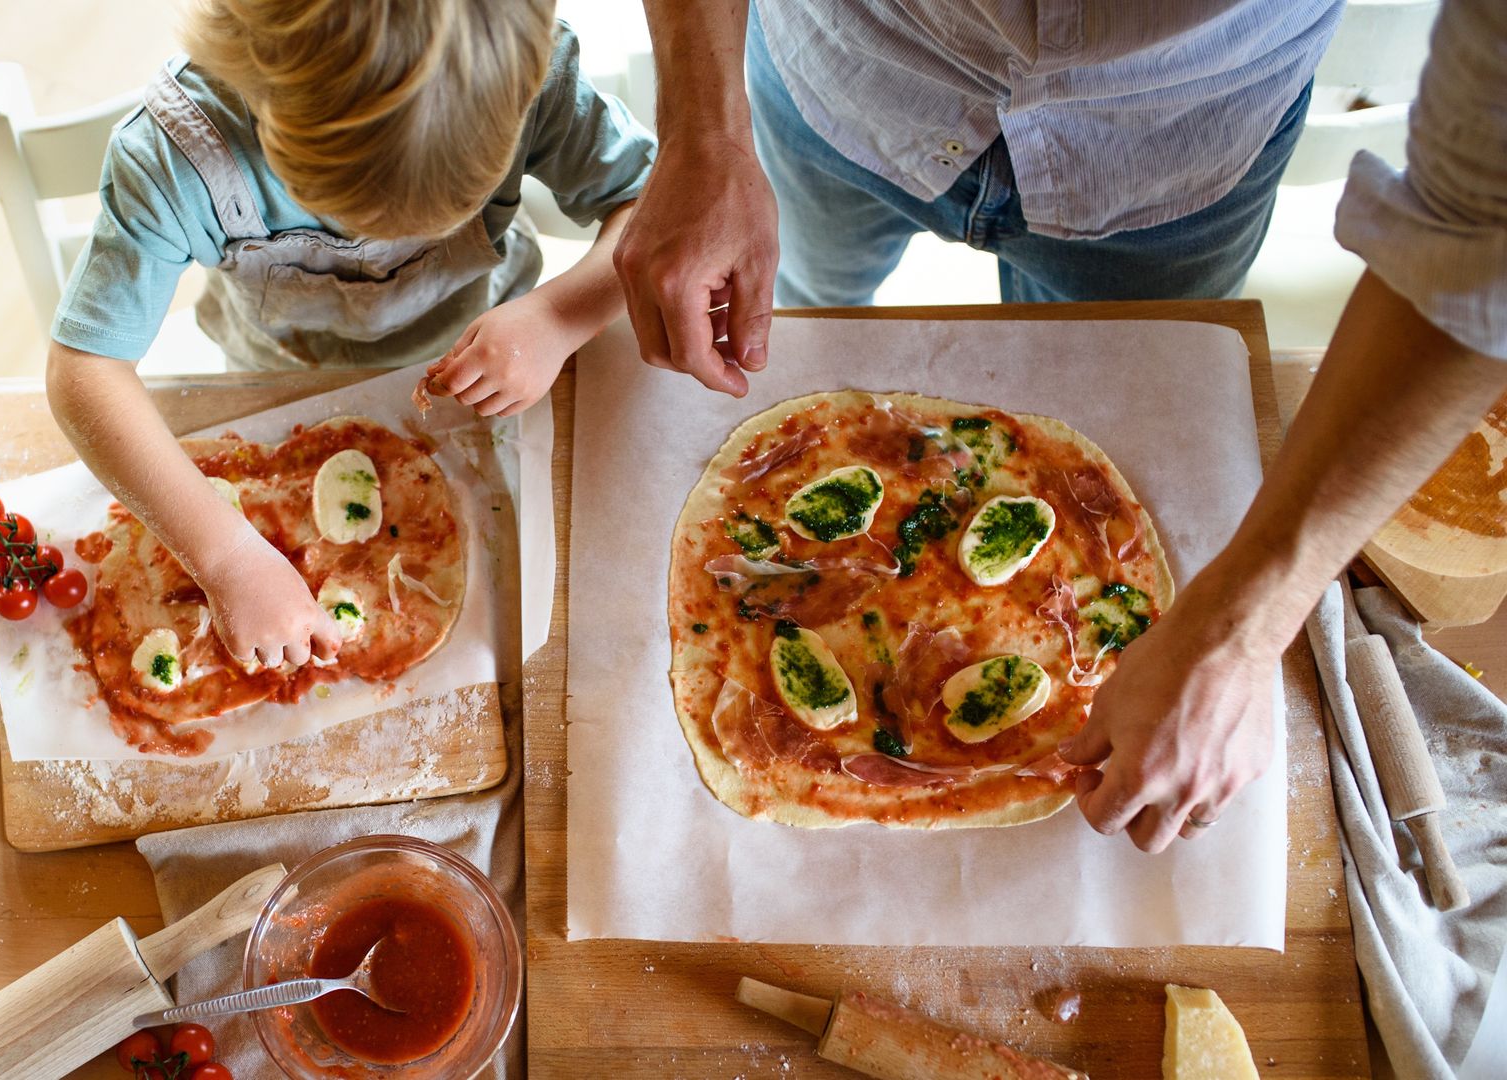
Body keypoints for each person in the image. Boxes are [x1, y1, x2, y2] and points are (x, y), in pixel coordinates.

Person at [616, 0, 1507, 851]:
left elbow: (1479, 246)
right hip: (843, 80)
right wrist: (705, 132)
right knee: (804, 317)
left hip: (1175, 150)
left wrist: (1244, 633)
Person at [45, 0, 653, 670]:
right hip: (280, 371)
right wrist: (228, 556)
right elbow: (85, 373)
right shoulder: (172, 159)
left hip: (499, 361)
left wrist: (561, 316)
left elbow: (650, 204)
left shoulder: (529, 74)